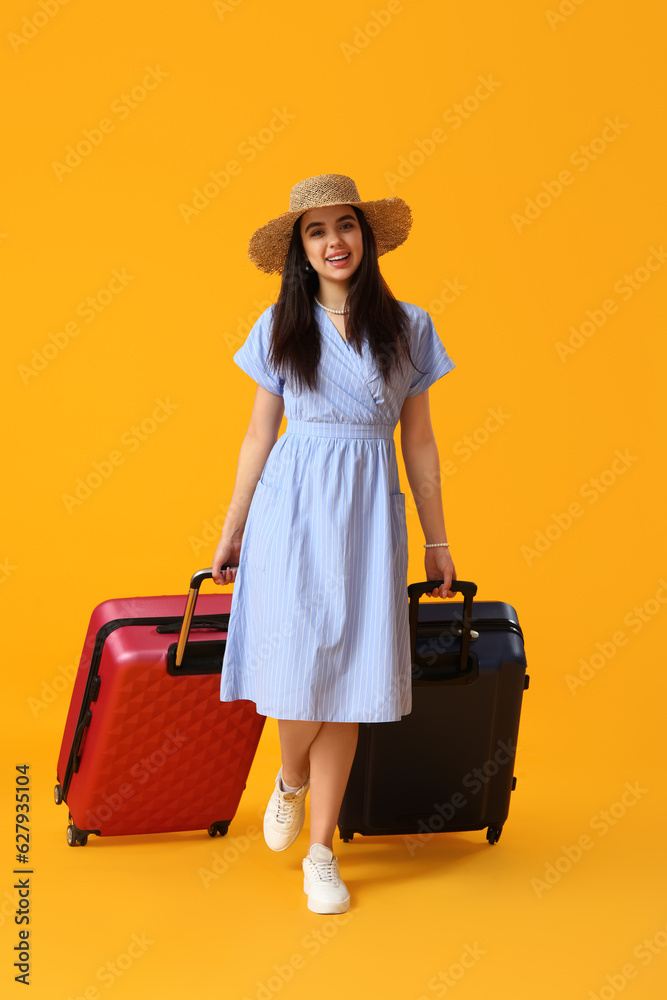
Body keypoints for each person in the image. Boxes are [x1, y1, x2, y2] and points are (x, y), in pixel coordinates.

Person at [210, 173, 458, 914]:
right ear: (301, 249)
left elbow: (418, 441)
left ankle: (321, 850)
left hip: (369, 505)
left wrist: (438, 540)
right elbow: (259, 434)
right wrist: (232, 528)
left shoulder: (409, 325)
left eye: (343, 225)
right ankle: (289, 777)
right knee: (299, 659)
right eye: (316, 232)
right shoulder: (279, 325)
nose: (333, 242)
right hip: (292, 504)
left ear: (365, 236)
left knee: (349, 667)